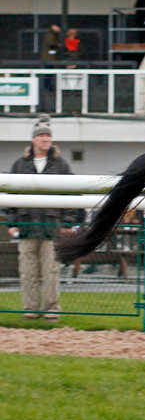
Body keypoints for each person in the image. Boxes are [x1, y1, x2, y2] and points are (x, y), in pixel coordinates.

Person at [6, 115, 75, 321]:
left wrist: (68, 224)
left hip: (51, 228)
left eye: (48, 136)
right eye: (41, 136)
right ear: (34, 139)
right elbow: (10, 197)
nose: (45, 140)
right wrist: (12, 224)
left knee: (51, 272)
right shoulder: (19, 165)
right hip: (26, 228)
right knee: (28, 272)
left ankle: (52, 311)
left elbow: (72, 194)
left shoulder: (61, 165)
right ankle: (30, 309)